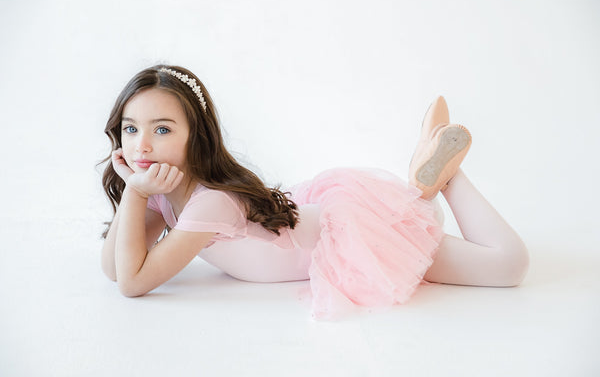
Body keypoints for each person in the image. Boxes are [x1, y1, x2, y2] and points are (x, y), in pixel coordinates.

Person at [100, 65, 529, 320]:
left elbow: (133, 283)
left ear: (197, 136)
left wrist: (135, 197)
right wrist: (135, 192)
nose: (142, 145)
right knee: (419, 211)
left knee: (509, 266)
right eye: (130, 129)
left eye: (162, 129)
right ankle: (428, 178)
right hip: (327, 219)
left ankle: (448, 178)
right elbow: (114, 268)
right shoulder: (161, 190)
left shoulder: (207, 201)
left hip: (352, 237)